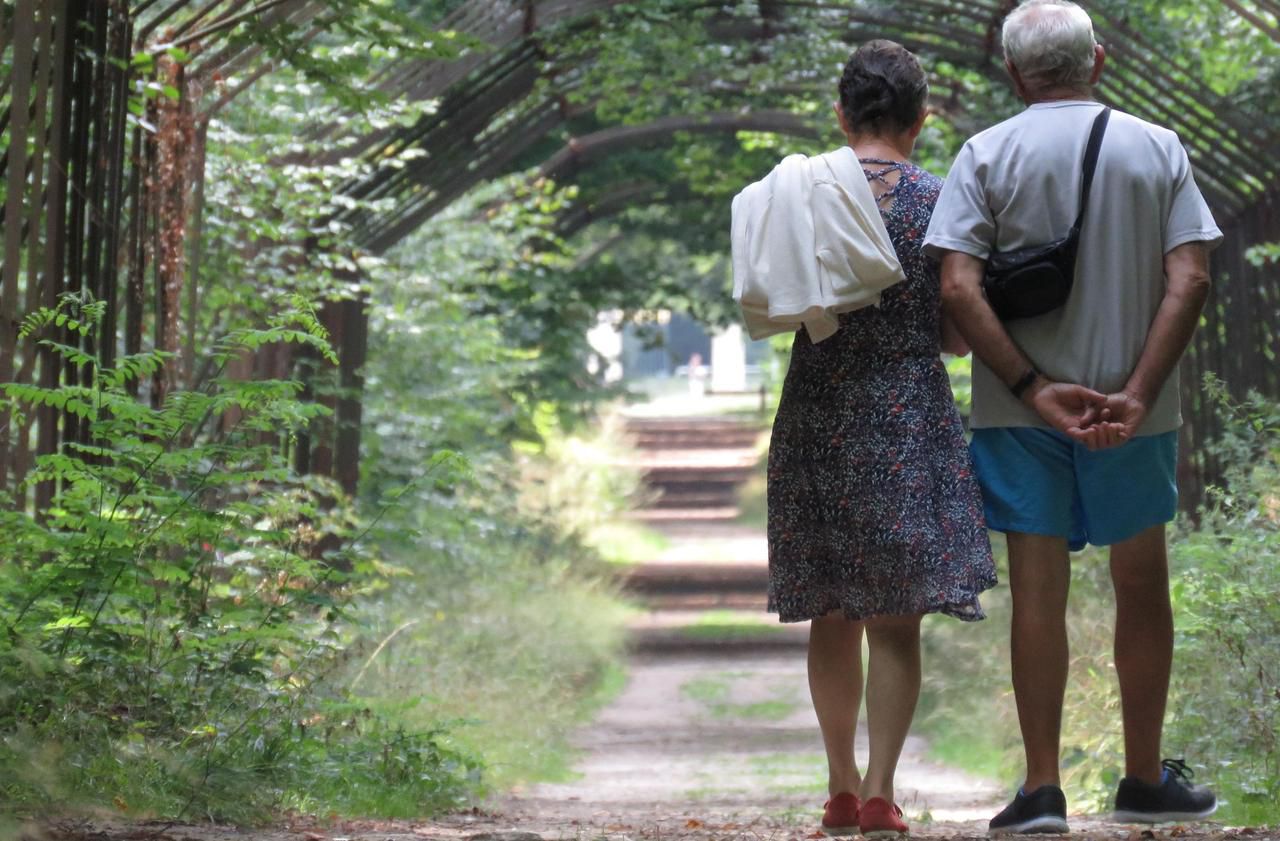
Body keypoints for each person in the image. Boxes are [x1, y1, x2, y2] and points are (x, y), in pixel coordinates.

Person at [923, 0, 1222, 833]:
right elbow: (1189, 277)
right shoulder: (1157, 146)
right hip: (1135, 413)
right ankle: (1141, 779)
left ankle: (1043, 789)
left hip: (1024, 416)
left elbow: (955, 286)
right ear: (1098, 61)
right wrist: (1136, 390)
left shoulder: (985, 152)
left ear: (1014, 74)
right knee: (1140, 584)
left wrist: (1030, 386)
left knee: (1039, 594)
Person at [764, 40, 996, 838]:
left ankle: (835, 785)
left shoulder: (799, 194)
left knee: (833, 608)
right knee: (897, 617)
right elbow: (958, 334)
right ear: (920, 120)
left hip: (817, 413)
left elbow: (778, 302)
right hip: (906, 412)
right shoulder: (942, 201)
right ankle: (880, 792)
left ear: (841, 115)